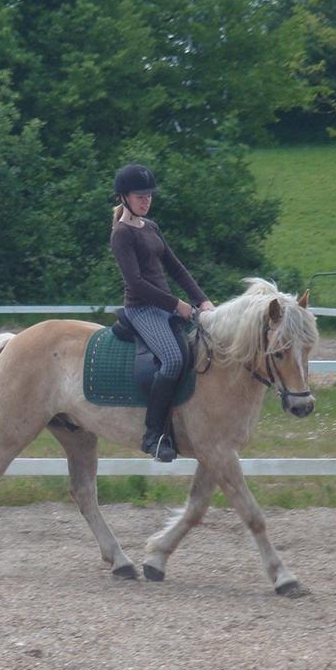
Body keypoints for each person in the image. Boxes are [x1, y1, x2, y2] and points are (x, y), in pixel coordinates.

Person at [110, 163, 214, 462]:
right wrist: (178, 305)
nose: (146, 200)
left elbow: (176, 268)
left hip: (164, 306)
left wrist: (203, 300)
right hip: (142, 308)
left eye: (149, 196)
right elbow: (137, 284)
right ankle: (153, 435)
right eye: (140, 196)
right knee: (172, 359)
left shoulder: (150, 227)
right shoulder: (122, 235)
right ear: (124, 197)